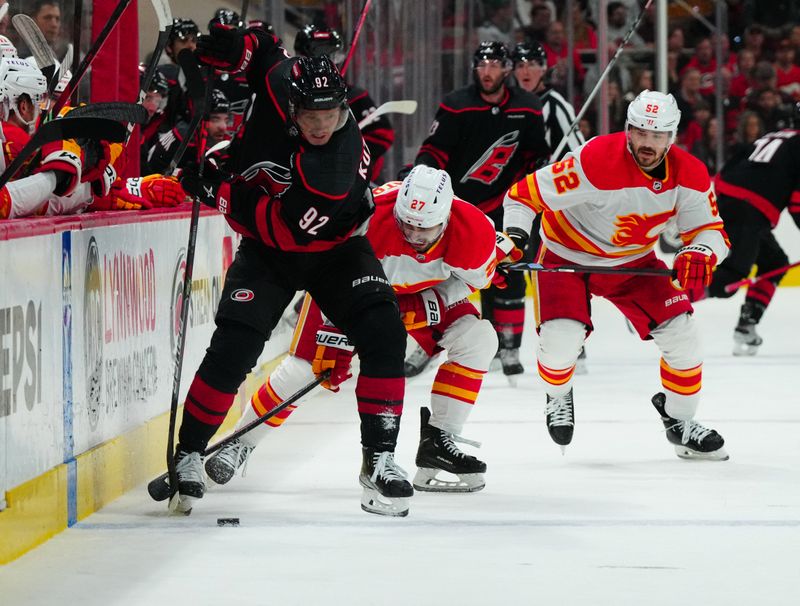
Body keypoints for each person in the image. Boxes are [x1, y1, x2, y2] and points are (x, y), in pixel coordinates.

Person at [170, 25, 411, 516]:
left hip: (332, 249)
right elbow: (266, 51)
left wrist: (216, 189)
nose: (323, 125)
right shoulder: (284, 82)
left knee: (384, 333)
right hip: (267, 255)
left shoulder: (336, 163)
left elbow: (287, 232)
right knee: (234, 348)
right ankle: (189, 451)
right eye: (313, 115)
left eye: (332, 114)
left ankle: (380, 457)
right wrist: (239, 47)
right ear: (292, 108)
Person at [204, 167, 503, 496]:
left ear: (445, 219)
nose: (415, 236)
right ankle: (240, 443)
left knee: (478, 339)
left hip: (421, 292)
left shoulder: (474, 232)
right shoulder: (366, 216)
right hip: (350, 288)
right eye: (407, 225)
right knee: (305, 370)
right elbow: (326, 273)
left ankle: (439, 440)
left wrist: (431, 302)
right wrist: (336, 335)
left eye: (426, 228)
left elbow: (471, 283)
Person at [502, 90, 730, 461]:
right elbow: (522, 196)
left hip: (632, 262)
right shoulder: (594, 160)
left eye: (657, 136)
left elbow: (711, 231)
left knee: (683, 336)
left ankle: (679, 420)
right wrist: (514, 237)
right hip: (566, 257)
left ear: (672, 137)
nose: (647, 143)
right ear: (628, 130)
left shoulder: (690, 173)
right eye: (640, 132)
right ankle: (558, 394)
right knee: (561, 344)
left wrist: (701, 251)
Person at [408, 41, 548, 382]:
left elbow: (534, 155)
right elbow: (434, 151)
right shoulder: (457, 105)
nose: (487, 72)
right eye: (482, 65)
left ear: (507, 69)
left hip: (508, 206)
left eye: (495, 65)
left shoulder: (528, 107)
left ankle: (510, 348)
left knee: (510, 269)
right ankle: (428, 343)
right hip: (459, 206)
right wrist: (424, 176)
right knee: (445, 274)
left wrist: (542, 168)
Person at [707, 115, 800, 356]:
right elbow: (798, 204)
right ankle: (663, 300)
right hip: (751, 207)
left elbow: (733, 162)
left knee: (775, 262)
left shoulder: (778, 136)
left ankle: (747, 324)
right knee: (731, 277)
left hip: (731, 198)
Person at [294, 24, 395, 183]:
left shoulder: (355, 96)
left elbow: (382, 135)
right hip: (305, 178)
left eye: (331, 56)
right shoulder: (292, 96)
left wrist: (346, 152)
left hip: (356, 180)